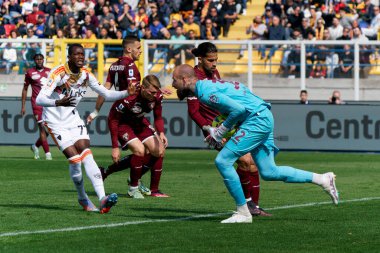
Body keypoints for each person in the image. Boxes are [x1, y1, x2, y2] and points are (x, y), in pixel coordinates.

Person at [172, 64, 339, 223]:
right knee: (269, 171)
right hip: (263, 115)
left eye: (175, 80)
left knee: (222, 161)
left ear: (185, 79)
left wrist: (221, 131)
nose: (173, 85)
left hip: (256, 120)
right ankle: (322, 179)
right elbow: (242, 94)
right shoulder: (211, 84)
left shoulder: (205, 92)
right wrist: (217, 130)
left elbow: (238, 110)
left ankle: (243, 212)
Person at [36, 44, 135, 213]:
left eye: (83, 54)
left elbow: (107, 94)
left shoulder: (86, 75)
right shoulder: (58, 72)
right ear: (69, 57)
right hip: (54, 122)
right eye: (77, 54)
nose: (81, 57)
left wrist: (127, 92)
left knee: (86, 153)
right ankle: (83, 198)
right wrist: (57, 102)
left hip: (73, 119)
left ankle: (103, 198)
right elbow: (39, 99)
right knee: (75, 160)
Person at [177, 42, 270, 216]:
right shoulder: (193, 78)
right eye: (210, 60)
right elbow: (194, 112)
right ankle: (247, 205)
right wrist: (212, 133)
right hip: (216, 130)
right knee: (244, 160)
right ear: (200, 59)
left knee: (252, 163)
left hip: (228, 125)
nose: (214, 64)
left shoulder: (215, 74)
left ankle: (254, 205)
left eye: (216, 60)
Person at [87, 36, 169, 198]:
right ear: (129, 49)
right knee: (140, 151)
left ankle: (137, 181)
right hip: (125, 111)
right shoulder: (131, 67)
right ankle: (134, 183)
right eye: (138, 48)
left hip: (133, 113)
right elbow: (136, 89)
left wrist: (96, 111)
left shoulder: (114, 66)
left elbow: (105, 90)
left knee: (155, 150)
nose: (140, 51)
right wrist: (157, 92)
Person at [107, 74, 168, 198]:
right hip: (123, 125)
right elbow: (113, 119)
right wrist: (115, 146)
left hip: (139, 123)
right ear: (143, 89)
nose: (154, 95)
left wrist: (161, 132)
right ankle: (133, 188)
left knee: (159, 150)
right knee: (140, 150)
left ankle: (154, 190)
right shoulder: (130, 97)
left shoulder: (157, 96)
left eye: (156, 92)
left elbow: (158, 117)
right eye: (151, 92)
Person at [21, 53, 52, 160]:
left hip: (48, 104)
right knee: (42, 128)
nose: (39, 61)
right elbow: (25, 89)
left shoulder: (50, 71)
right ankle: (48, 155)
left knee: (49, 131)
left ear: (43, 60)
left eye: (41, 59)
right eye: (37, 59)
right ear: (34, 60)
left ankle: (35, 146)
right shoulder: (30, 72)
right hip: (37, 104)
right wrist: (23, 106)